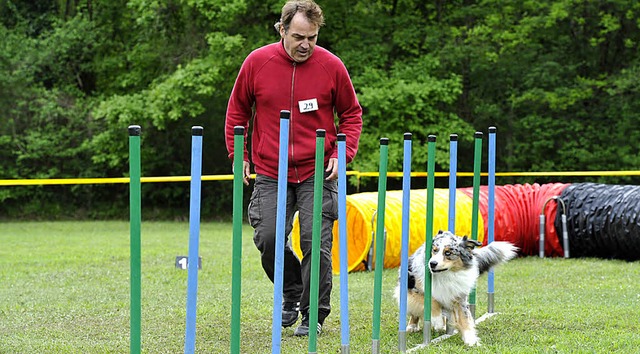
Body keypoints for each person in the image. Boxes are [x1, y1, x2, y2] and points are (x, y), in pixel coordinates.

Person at [224, 0, 362, 337]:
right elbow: (237, 111)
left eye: (312, 38)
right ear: (282, 29)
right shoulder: (257, 62)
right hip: (271, 168)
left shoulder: (331, 66)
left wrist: (341, 152)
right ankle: (291, 291)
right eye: (298, 36)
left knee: (316, 242)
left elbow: (351, 115)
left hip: (318, 169)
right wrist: (238, 152)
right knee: (269, 236)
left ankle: (313, 313)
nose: (305, 44)